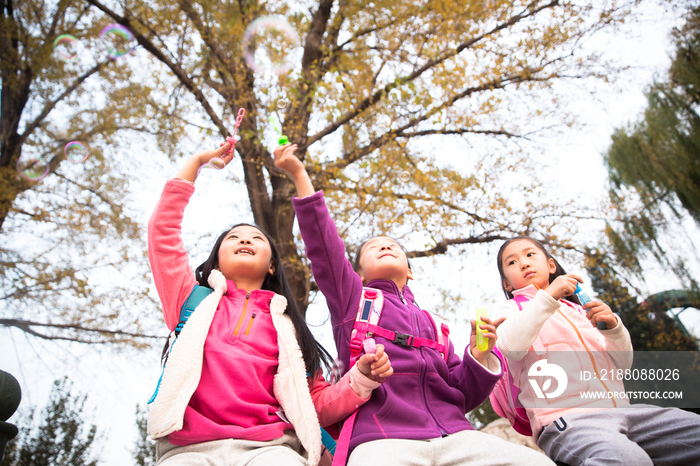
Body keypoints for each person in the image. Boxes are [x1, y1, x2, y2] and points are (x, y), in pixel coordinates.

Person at [273, 143, 554, 466]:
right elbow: (323, 245)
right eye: (374, 247)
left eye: (393, 246)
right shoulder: (353, 301)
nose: (385, 246)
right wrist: (299, 174)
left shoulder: (435, 324)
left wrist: (479, 355)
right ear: (358, 274)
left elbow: (462, 394)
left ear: (410, 270)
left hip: (455, 435)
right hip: (381, 439)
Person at [147, 142, 394, 466]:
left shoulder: (290, 331)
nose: (245, 240)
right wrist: (196, 163)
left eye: (256, 238)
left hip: (272, 450)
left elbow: (315, 402)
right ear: (216, 262)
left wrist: (360, 378)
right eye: (233, 237)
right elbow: (162, 234)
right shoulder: (190, 300)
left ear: (272, 266)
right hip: (187, 450)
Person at [493, 235, 700, 466]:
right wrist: (549, 295)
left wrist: (613, 328)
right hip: (568, 420)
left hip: (626, 410)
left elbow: (622, 365)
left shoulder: (580, 310)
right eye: (512, 262)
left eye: (530, 254)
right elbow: (510, 346)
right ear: (507, 284)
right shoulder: (511, 310)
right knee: (628, 460)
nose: (523, 263)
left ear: (551, 265)